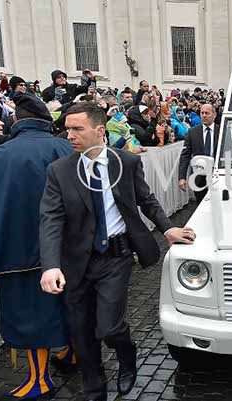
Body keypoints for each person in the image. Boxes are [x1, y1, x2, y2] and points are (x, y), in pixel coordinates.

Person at [38, 102, 196, 401]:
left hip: (115, 257)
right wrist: (50, 265)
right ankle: (94, 389)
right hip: (75, 263)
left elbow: (146, 199)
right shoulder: (59, 171)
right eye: (67, 129)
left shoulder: (127, 162)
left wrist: (167, 229)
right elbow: (50, 219)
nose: (69, 135)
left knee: (109, 327)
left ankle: (126, 353)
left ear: (100, 131)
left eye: (77, 129)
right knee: (82, 332)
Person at [0, 94, 75, 401]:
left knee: (29, 313)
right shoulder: (66, 147)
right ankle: (71, 353)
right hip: (67, 248)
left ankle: (39, 380)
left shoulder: (0, 154)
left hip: (18, 252)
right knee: (71, 304)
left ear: (16, 120)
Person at [178, 104, 220, 202]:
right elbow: (185, 156)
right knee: (201, 206)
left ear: (214, 115)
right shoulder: (192, 132)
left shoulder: (222, 131)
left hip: (216, 176)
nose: (204, 115)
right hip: (198, 178)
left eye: (207, 113)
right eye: (202, 113)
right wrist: (182, 177)